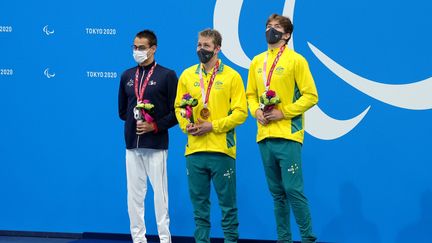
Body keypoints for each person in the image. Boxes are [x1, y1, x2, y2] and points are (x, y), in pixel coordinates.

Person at [246, 14, 318, 243]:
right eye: (268, 26)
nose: (270, 30)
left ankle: (307, 238)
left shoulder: (297, 60)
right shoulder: (257, 62)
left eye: (276, 27)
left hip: (288, 134)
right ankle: (283, 239)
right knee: (277, 194)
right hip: (264, 135)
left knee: (293, 191)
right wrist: (256, 112)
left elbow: (311, 96)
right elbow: (250, 95)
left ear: (286, 35)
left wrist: (283, 112)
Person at [174, 28, 248, 243]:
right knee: (200, 209)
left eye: (206, 46)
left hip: (221, 150)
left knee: (228, 208)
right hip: (194, 150)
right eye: (199, 45)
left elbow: (241, 113)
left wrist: (213, 126)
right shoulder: (188, 75)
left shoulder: (232, 76)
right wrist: (186, 125)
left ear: (217, 49)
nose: (201, 49)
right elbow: (179, 106)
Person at [118, 29, 178, 243]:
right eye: (134, 47)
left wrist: (154, 126)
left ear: (153, 49)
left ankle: (164, 239)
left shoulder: (167, 75)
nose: (137, 51)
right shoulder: (127, 76)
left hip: (156, 146)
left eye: (141, 47)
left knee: (160, 197)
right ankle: (138, 239)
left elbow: (177, 113)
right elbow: (122, 111)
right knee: (133, 197)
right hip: (132, 145)